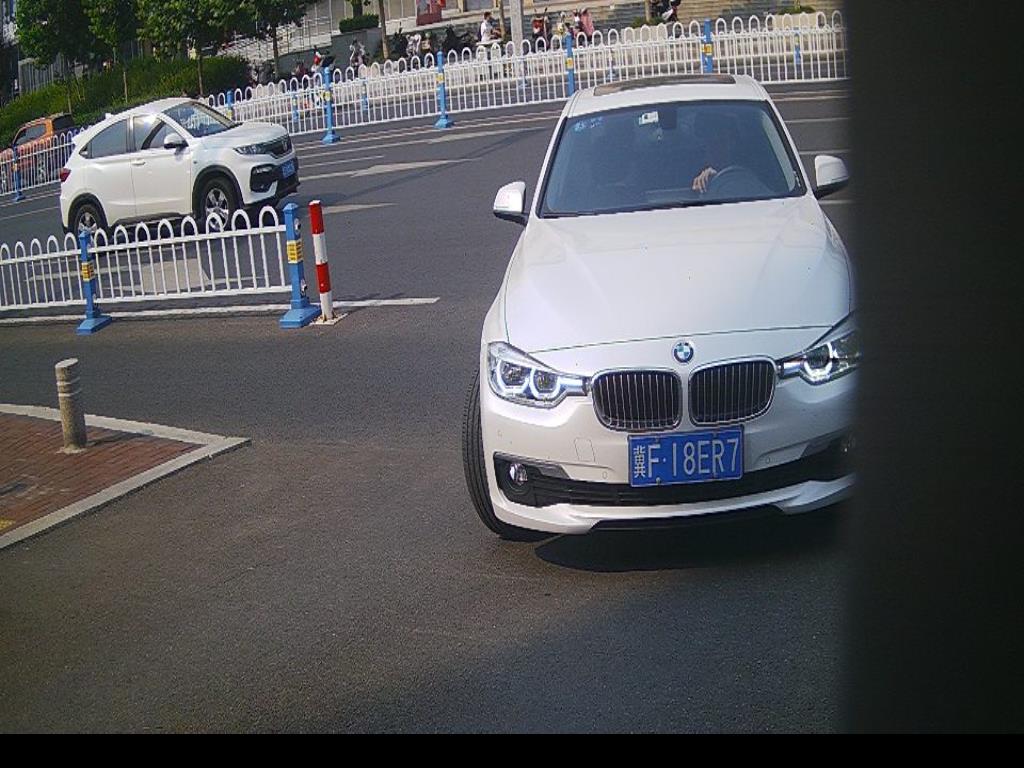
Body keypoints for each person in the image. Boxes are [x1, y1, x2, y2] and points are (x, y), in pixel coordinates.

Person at [691, 112, 740, 193]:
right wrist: (702, 182)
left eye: (723, 138)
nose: (717, 144)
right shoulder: (688, 168)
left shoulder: (754, 165)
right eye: (712, 139)